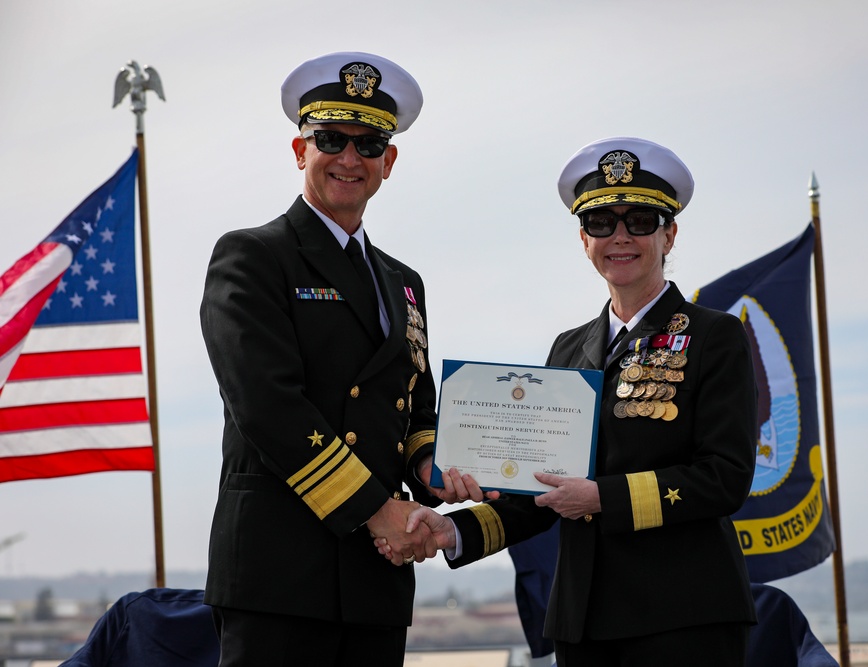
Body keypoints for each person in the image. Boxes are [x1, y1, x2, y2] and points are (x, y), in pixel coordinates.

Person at [387, 137, 759, 665]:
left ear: (669, 233)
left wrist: (601, 497)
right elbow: (537, 492)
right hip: (583, 622)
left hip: (685, 617)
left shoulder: (713, 336)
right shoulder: (569, 347)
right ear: (584, 239)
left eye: (641, 221)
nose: (621, 237)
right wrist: (453, 530)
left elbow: (725, 478)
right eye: (602, 223)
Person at [199, 51, 483, 666]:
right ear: (300, 150)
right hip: (280, 574)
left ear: (390, 160)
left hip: (376, 574)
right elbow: (267, 404)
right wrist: (378, 510)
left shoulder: (404, 283)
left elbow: (414, 408)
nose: (349, 159)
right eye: (331, 138)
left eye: (368, 143)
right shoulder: (252, 257)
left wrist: (436, 467)